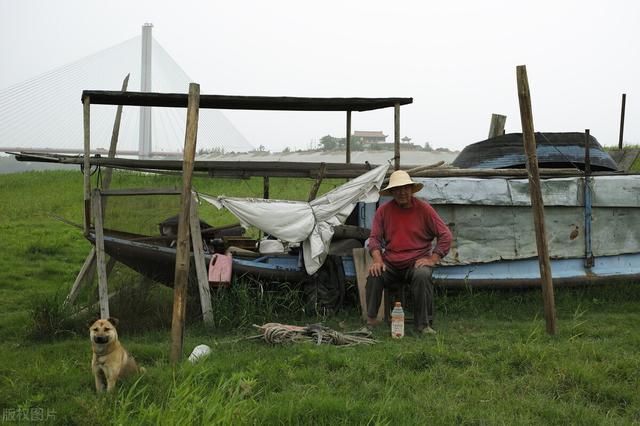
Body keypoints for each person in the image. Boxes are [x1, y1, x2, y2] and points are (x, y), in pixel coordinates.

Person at [365, 170, 452, 334]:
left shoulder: (424, 209)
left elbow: (445, 235)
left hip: (416, 262)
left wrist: (433, 259)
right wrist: (377, 260)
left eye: (405, 188)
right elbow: (374, 238)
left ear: (412, 189)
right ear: (391, 192)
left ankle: (423, 325)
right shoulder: (383, 211)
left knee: (422, 275)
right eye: (397, 189)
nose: (402, 192)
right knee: (374, 274)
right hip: (391, 263)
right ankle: (370, 321)